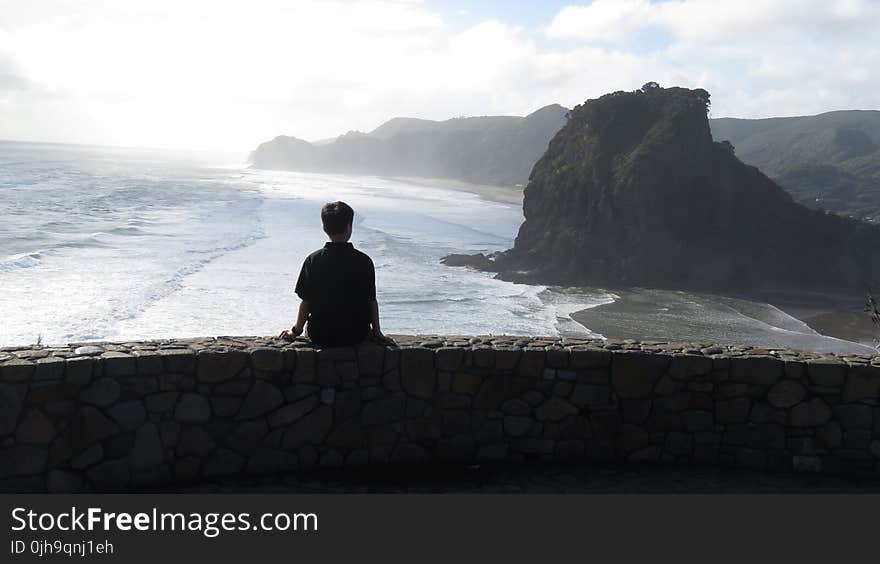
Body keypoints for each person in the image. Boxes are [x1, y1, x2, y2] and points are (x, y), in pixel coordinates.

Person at [278, 201, 393, 347]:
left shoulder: (313, 260)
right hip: (356, 334)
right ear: (349, 227)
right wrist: (377, 332)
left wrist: (294, 331)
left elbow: (306, 302)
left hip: (320, 334)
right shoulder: (364, 261)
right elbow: (371, 301)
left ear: (324, 228)